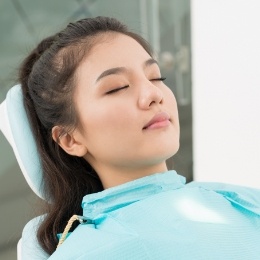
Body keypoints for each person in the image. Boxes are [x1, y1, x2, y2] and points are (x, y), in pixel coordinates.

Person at [2, 16, 260, 259]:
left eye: (156, 77)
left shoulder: (235, 199)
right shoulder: (92, 252)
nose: (153, 94)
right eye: (117, 88)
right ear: (70, 139)